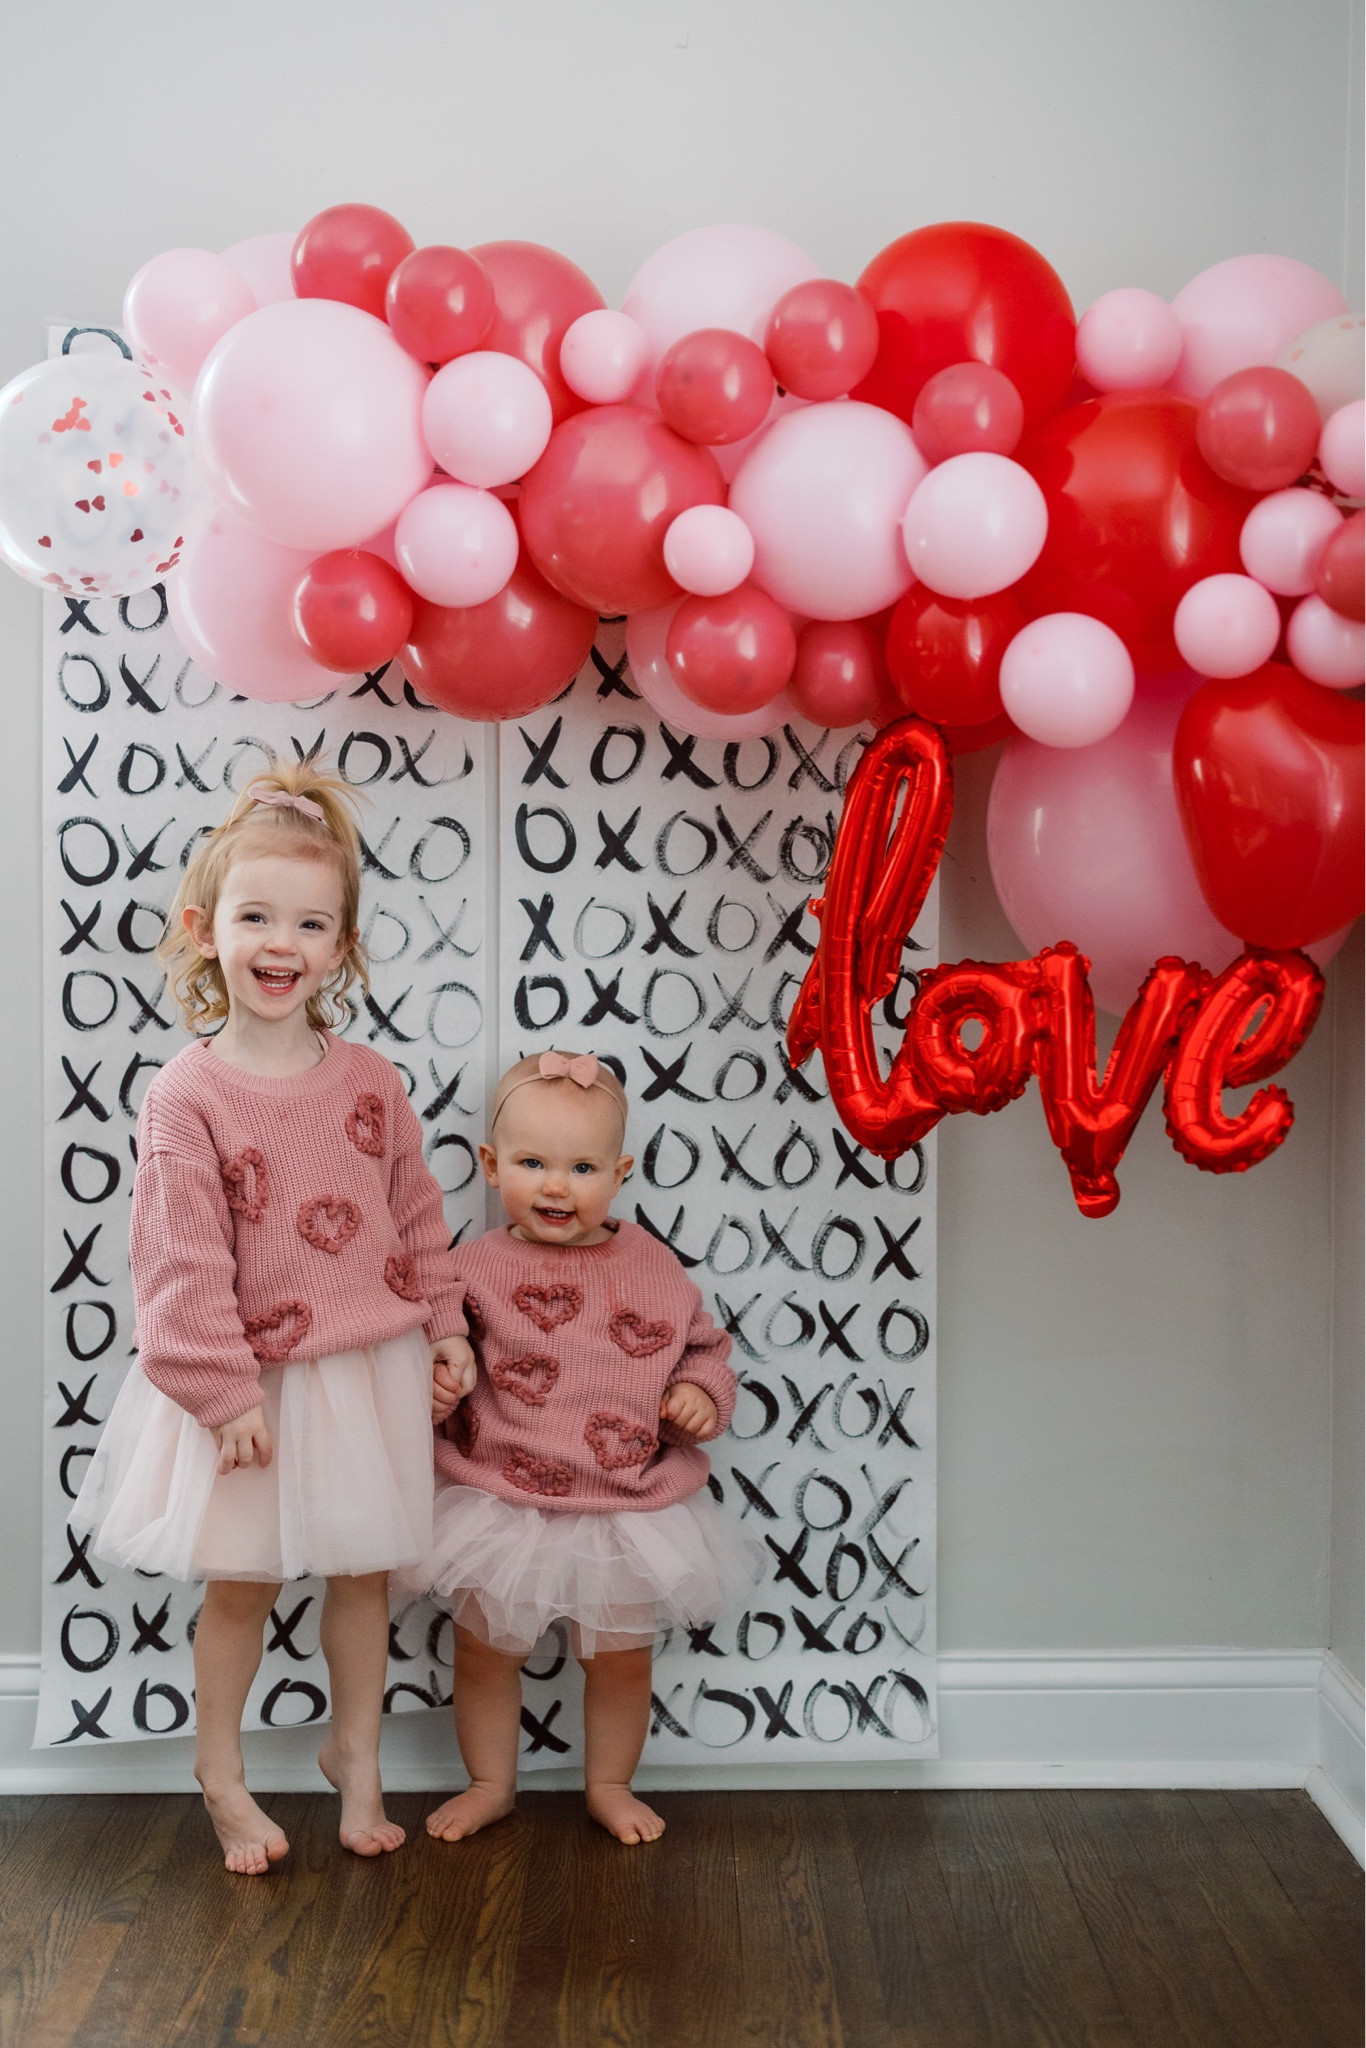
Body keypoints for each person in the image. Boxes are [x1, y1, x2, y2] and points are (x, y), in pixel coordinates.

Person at [70, 762, 473, 1876]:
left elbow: (416, 1212)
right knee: (240, 1581)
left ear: (341, 945)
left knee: (361, 1575)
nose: (279, 942)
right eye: (255, 916)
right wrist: (220, 1394)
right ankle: (222, 1770)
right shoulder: (187, 1093)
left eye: (309, 921)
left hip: (365, 1364)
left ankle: (356, 1748)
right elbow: (178, 1257)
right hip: (247, 1378)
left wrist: (442, 1324)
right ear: (206, 930)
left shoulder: (372, 1078)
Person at [411, 1048, 764, 1847]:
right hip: (502, 1499)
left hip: (622, 1505)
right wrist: (433, 1382)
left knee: (619, 1661)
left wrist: (700, 1395)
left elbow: (704, 1347)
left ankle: (607, 1782)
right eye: (533, 1163)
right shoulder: (469, 1269)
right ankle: (491, 1781)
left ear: (620, 1170)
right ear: (494, 1166)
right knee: (486, 1653)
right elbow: (434, 1343)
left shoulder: (651, 1265)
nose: (556, 1186)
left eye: (581, 1166)